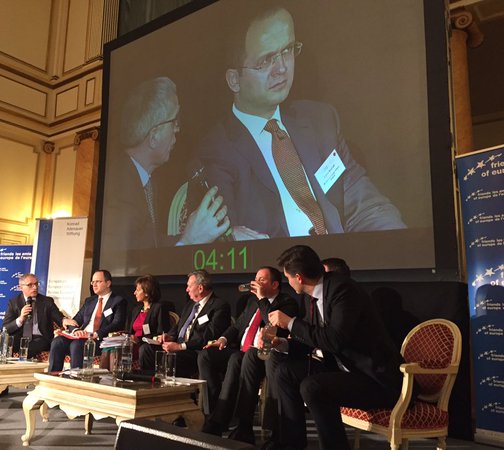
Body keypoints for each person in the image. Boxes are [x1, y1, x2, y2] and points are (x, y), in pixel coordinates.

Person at [199, 2, 405, 239]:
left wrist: (397, 248)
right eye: (266, 60)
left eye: (287, 50)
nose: (281, 69)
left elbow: (367, 206)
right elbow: (225, 240)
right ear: (234, 80)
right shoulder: (215, 151)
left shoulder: (320, 121)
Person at [266, 245, 403, 450]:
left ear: (299, 277)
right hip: (341, 368)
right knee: (285, 372)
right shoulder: (309, 296)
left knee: (313, 387)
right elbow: (312, 338)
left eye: (288, 278)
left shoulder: (343, 290)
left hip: (374, 378)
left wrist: (291, 323)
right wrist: (282, 343)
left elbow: (334, 339)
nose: (289, 282)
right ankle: (291, 445)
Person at [101, 77, 232, 251]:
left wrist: (209, 234)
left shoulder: (142, 179)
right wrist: (189, 240)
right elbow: (128, 257)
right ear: (154, 136)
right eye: (174, 121)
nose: (178, 129)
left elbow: (151, 245)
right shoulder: (120, 187)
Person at [199, 266, 297, 443]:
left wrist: (262, 299)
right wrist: (223, 339)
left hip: (266, 355)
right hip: (241, 351)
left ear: (275, 284)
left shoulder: (287, 302)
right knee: (207, 356)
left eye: (262, 280)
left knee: (239, 359)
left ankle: (230, 423)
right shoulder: (252, 302)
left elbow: (272, 324)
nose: (256, 283)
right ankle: (216, 415)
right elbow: (237, 326)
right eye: (256, 278)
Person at [141, 270, 231, 377]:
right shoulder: (190, 305)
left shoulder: (219, 306)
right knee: (145, 350)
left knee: (172, 357)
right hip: (176, 346)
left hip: (194, 351)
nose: (186, 289)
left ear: (200, 288)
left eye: (189, 286)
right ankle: (149, 387)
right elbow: (179, 326)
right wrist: (169, 336)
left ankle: (171, 392)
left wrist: (180, 346)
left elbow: (208, 336)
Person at [48, 270, 127, 372]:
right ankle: (53, 375)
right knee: (57, 342)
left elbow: (117, 323)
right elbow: (75, 320)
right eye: (92, 282)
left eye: (98, 282)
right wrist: (76, 331)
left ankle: (76, 378)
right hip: (82, 337)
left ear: (108, 283)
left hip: (100, 340)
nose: (94, 285)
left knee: (77, 345)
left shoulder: (118, 301)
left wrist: (96, 334)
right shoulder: (90, 301)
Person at [3, 273, 76, 359]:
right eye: (30, 285)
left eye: (36, 284)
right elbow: (6, 328)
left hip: (40, 338)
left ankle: (23, 368)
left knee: (29, 347)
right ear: (21, 287)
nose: (35, 287)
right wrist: (20, 318)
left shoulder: (47, 301)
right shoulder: (14, 302)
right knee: (6, 344)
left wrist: (64, 320)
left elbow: (58, 317)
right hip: (20, 337)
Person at [127, 274, 171, 369]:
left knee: (142, 349)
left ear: (147, 292)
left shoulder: (158, 308)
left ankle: (144, 377)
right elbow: (130, 332)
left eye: (138, 290)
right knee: (113, 347)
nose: (134, 293)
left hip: (148, 345)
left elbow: (161, 333)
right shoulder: (136, 310)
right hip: (132, 344)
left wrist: (139, 339)